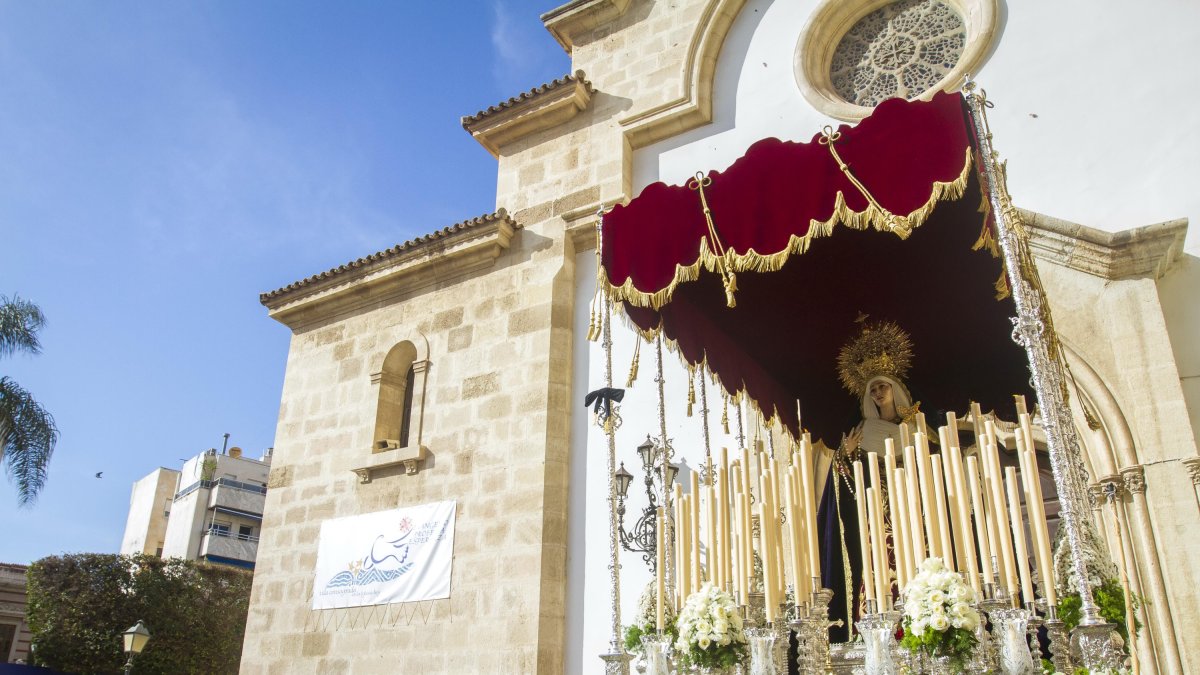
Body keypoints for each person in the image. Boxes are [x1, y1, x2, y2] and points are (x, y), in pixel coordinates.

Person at [817, 318, 918, 643]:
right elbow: (843, 482)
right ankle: (877, 631)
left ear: (894, 386)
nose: (877, 392)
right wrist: (845, 456)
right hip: (876, 513)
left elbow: (931, 457)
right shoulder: (861, 428)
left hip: (913, 504)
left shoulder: (915, 421)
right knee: (876, 566)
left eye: (882, 386)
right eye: (872, 388)